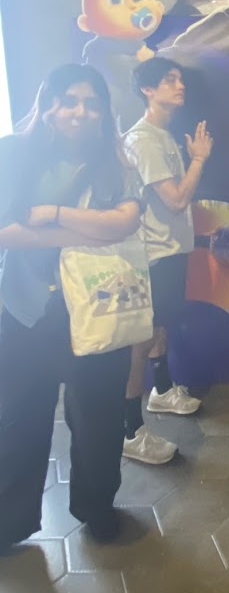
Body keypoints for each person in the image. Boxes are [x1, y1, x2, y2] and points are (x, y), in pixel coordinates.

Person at [0, 64, 143, 549]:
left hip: (99, 314)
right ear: (49, 105)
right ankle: (9, 521)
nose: (80, 112)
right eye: (69, 101)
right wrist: (83, 231)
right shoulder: (14, 154)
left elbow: (124, 223)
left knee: (99, 421)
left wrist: (52, 217)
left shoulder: (116, 164)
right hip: (24, 313)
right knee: (17, 421)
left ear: (104, 112)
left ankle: (96, 508)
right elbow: (5, 231)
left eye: (92, 103)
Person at [122, 57, 213, 465]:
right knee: (140, 340)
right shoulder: (143, 140)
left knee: (160, 325)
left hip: (169, 250)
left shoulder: (163, 135)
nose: (180, 86)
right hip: (153, 255)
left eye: (180, 79)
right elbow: (175, 200)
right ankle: (130, 431)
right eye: (169, 80)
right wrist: (199, 160)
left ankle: (161, 392)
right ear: (147, 90)